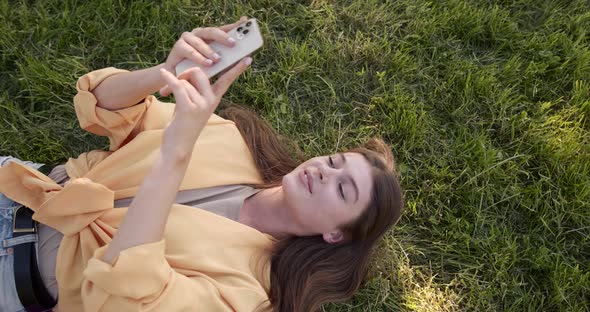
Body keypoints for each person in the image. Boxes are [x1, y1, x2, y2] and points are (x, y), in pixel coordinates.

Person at [0, 17, 403, 312]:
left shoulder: (248, 290)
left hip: (16, 281)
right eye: (334, 161)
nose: (324, 171)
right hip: (16, 186)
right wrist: (164, 73)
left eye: (342, 187)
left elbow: (126, 299)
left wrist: (177, 152)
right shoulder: (229, 140)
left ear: (335, 235)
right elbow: (98, 106)